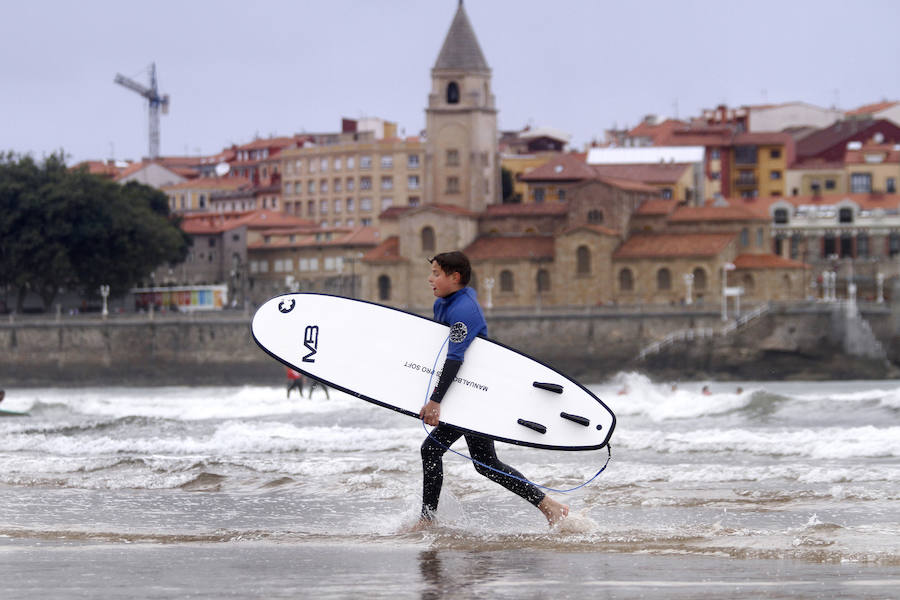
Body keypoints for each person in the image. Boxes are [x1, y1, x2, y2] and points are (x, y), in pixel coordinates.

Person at [415, 251, 568, 530]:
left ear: (454, 277)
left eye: (436, 273)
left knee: (434, 451)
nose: (430, 279)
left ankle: (427, 520)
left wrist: (436, 401)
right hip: (464, 391)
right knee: (484, 462)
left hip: (476, 394)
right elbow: (437, 352)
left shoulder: (463, 310)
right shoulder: (444, 304)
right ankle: (550, 507)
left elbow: (455, 358)